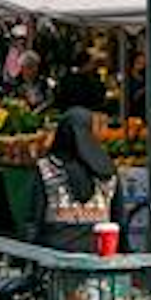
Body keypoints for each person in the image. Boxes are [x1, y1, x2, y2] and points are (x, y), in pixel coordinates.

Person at [28, 107, 123, 252]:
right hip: (97, 253)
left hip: (54, 256)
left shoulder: (45, 168)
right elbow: (118, 219)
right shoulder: (108, 170)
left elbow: (34, 218)